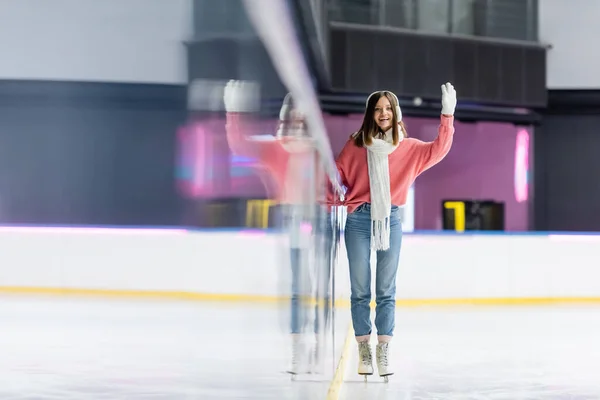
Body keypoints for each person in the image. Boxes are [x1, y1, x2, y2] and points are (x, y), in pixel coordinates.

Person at [333, 83, 457, 379]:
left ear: (395, 112)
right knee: (360, 289)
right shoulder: (355, 145)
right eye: (377, 108)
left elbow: (439, 149)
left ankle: (383, 349)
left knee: (386, 290)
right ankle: (364, 348)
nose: (383, 113)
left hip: (391, 219)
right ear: (370, 114)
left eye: (388, 108)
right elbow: (336, 175)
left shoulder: (408, 147)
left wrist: (447, 115)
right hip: (359, 220)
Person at [223, 81, 336, 375]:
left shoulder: (318, 148)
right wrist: (233, 110)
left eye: (304, 112)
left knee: (322, 284)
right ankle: (299, 348)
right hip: (293, 216)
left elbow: (336, 182)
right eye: (295, 111)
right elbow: (240, 144)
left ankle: (318, 343)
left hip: (321, 217)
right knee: (299, 285)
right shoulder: (276, 146)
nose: (299, 117)